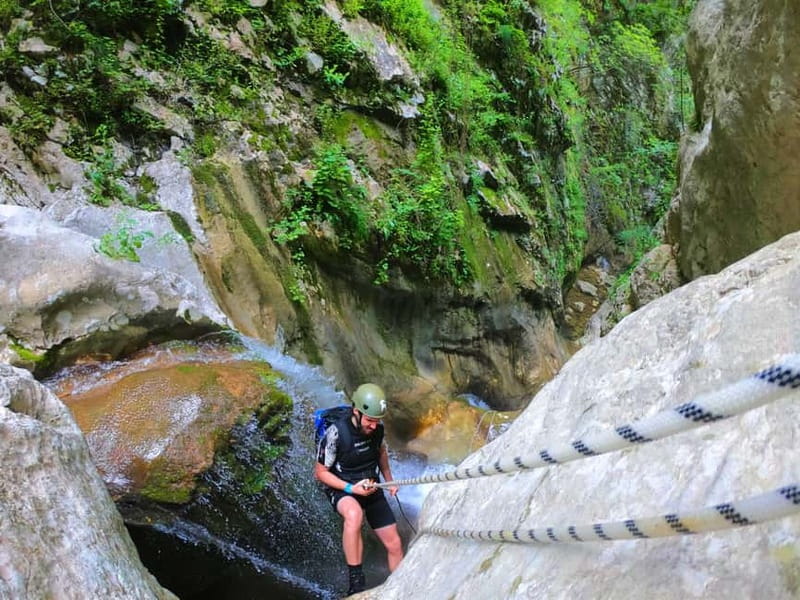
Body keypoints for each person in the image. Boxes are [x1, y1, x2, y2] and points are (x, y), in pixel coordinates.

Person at [314, 383, 403, 595]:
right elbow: (320, 472)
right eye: (370, 420)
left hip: (370, 485)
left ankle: (402, 586)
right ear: (357, 412)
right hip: (342, 486)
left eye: (377, 420)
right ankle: (356, 582)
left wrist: (389, 481)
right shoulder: (336, 433)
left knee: (395, 543)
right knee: (354, 515)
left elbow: (380, 453)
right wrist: (351, 488)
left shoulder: (376, 430)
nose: (374, 425)